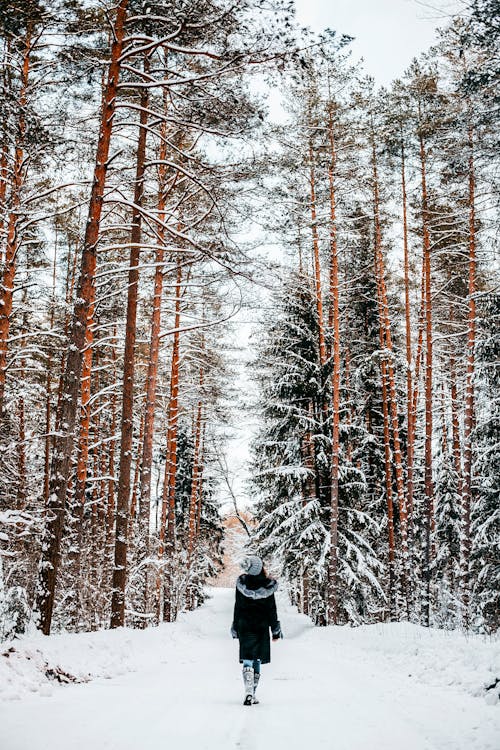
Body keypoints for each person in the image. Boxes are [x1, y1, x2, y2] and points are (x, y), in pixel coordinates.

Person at [231, 555, 283, 706]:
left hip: (244, 624)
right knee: (257, 658)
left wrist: (235, 626)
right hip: (261, 626)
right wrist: (275, 630)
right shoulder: (267, 586)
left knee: (247, 657)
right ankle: (252, 693)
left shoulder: (242, 584)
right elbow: (272, 609)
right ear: (260, 568)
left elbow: (237, 607)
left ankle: (248, 692)